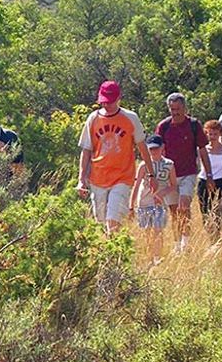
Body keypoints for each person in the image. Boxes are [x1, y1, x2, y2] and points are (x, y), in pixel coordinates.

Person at [77, 80, 151, 236]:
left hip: (122, 178)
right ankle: (107, 254)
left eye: (110, 102)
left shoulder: (130, 118)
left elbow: (142, 146)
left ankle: (113, 255)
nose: (107, 105)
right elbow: (86, 150)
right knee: (101, 222)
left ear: (119, 98)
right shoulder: (93, 119)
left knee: (113, 222)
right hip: (98, 178)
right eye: (104, 102)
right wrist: (81, 179)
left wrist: (151, 174)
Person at [155, 92, 214, 252]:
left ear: (185, 108)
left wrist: (208, 174)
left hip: (188, 173)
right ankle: (177, 244)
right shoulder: (164, 127)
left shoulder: (194, 125)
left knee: (184, 206)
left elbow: (202, 150)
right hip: (169, 175)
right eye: (172, 109)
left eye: (178, 108)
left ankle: (185, 244)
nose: (175, 112)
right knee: (174, 211)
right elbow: (156, 150)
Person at [130, 134, 178, 265]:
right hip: (144, 202)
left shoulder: (169, 164)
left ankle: (157, 258)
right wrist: (131, 205)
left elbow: (173, 185)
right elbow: (136, 185)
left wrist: (163, 193)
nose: (153, 151)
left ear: (162, 147)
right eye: (150, 149)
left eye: (156, 148)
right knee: (147, 232)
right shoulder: (143, 165)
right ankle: (149, 258)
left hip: (159, 204)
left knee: (158, 230)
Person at [196, 120, 222, 239]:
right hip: (204, 181)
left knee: (219, 211)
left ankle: (217, 236)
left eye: (215, 134)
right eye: (209, 134)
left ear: (220, 134)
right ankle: (210, 236)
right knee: (205, 211)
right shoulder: (201, 150)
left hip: (221, 181)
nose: (212, 137)